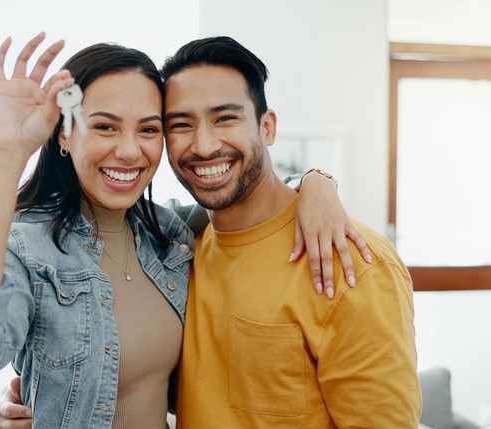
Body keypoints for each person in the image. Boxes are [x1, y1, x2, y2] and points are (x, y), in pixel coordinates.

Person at [0, 33, 366, 428]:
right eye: (104, 126)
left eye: (149, 129)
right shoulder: (28, 247)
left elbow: (246, 202)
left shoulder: (170, 235)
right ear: (63, 134)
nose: (129, 151)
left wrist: (315, 184)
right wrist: (7, 151)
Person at [160, 36, 421, 427]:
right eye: (181, 124)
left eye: (225, 118)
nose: (204, 145)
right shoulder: (176, 248)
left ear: (267, 127)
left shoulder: (353, 260)